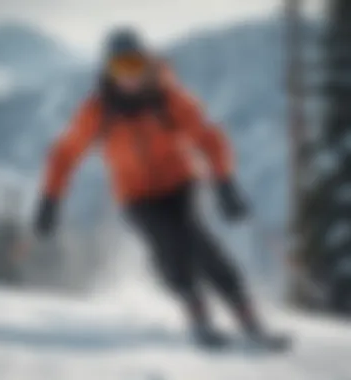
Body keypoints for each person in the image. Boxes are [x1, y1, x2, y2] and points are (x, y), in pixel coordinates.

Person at [32, 28, 286, 348]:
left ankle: (247, 317)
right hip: (135, 195)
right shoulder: (99, 111)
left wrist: (224, 182)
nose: (129, 76)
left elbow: (208, 138)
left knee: (195, 237)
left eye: (135, 65)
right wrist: (50, 199)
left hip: (179, 183)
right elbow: (65, 153)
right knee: (167, 245)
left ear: (147, 63)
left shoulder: (169, 99)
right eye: (120, 68)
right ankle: (197, 315)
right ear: (108, 70)